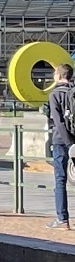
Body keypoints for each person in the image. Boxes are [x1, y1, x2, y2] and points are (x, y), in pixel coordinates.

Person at [46, 64, 75, 230]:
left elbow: (57, 121)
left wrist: (68, 142)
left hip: (61, 141)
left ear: (58, 75)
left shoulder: (55, 94)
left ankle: (62, 218)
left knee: (60, 179)